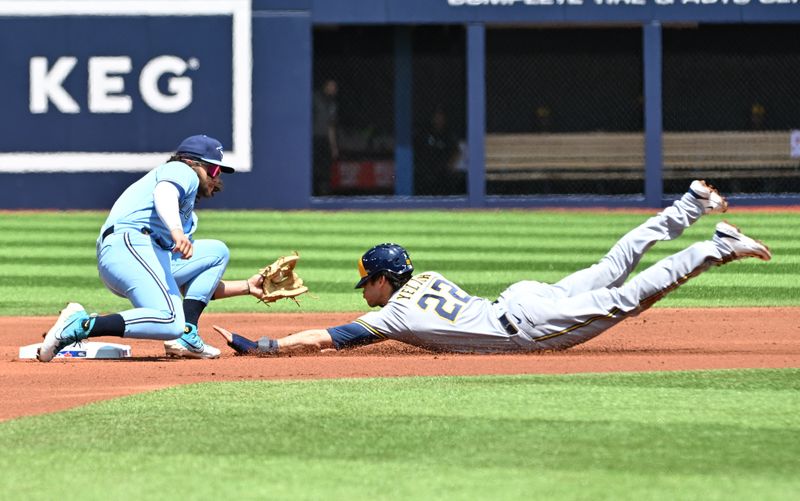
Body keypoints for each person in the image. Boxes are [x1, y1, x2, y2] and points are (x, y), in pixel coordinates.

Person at [213, 180, 771, 356]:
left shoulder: (391, 320)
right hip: (521, 301)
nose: (365, 292)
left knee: (626, 296)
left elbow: (325, 338)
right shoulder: (426, 276)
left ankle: (714, 246)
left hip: (529, 321)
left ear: (384, 279)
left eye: (368, 282)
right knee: (614, 263)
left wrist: (263, 345)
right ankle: (689, 206)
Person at [38, 134, 274, 362]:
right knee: (171, 322)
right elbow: (165, 192)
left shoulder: (188, 218)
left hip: (144, 254)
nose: (217, 177)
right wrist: (176, 231)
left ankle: (185, 337)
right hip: (130, 244)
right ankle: (81, 325)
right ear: (192, 163)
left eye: (219, 171)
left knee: (216, 252)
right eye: (213, 170)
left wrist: (247, 287)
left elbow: (190, 285)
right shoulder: (181, 170)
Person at [414, 106, 465, 196]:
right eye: (436, 117)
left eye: (440, 117)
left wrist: (450, 165)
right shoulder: (425, 132)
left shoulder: (448, 134)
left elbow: (456, 151)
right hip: (426, 169)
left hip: (443, 170)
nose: (438, 119)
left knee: (454, 178)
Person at [312, 79, 340, 196]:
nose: (332, 89)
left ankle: (323, 192)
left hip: (324, 139)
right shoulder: (315, 99)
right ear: (325, 87)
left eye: (334, 87)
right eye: (330, 86)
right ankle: (312, 189)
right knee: (314, 165)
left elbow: (331, 127)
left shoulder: (333, 105)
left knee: (325, 167)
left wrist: (333, 146)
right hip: (313, 138)